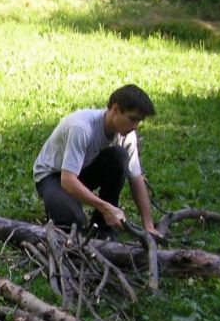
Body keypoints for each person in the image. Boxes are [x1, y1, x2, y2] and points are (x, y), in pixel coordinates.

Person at [32, 84, 162, 241]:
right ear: (115, 109)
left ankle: (103, 227)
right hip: (53, 176)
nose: (135, 126)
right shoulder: (81, 127)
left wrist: (148, 225)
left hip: (81, 170)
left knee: (119, 157)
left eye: (138, 121)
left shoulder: (127, 135)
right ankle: (60, 206)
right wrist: (105, 207)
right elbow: (67, 181)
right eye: (132, 119)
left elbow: (136, 179)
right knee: (73, 221)